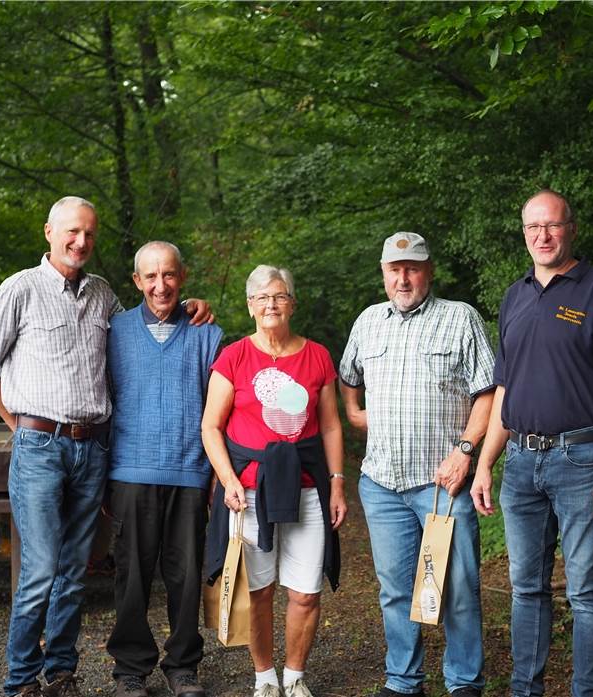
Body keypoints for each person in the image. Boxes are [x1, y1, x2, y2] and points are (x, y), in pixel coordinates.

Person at [0, 196, 210, 697]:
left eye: (90, 234)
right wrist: (20, 426)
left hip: (92, 450)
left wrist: (191, 308)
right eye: (72, 232)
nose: (81, 241)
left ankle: (60, 672)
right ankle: (20, 681)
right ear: (50, 232)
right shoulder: (21, 289)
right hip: (40, 444)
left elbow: (146, 328)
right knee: (40, 569)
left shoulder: (103, 295)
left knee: (76, 571)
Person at [470, 191, 593, 697]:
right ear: (523, 234)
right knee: (526, 588)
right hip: (519, 464)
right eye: (532, 227)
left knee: (584, 590)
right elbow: (503, 390)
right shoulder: (514, 297)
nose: (542, 235)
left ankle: (587, 692)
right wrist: (484, 463)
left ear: (571, 229)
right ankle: (525, 689)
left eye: (552, 226)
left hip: (582, 458)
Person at [339, 232, 496, 697]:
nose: (403, 277)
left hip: (442, 484)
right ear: (384, 273)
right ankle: (403, 681)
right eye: (395, 268)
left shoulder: (460, 318)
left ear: (429, 271)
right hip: (383, 483)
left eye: (412, 268)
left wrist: (465, 451)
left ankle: (464, 682)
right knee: (395, 590)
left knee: (458, 588)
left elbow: (488, 392)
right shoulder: (368, 322)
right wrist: (353, 412)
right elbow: (348, 376)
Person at [201, 264, 347, 697]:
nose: (271, 304)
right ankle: (265, 678)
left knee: (305, 593)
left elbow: (332, 427)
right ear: (250, 306)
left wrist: (337, 481)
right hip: (247, 492)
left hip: (305, 486)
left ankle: (295, 675)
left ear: (292, 304)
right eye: (262, 297)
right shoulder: (233, 357)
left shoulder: (317, 355)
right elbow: (211, 427)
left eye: (279, 296)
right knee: (259, 590)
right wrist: (226, 480)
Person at [105, 242, 223, 697]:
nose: (160, 285)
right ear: (136, 282)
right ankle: (130, 669)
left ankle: (182, 666)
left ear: (183, 276)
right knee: (131, 576)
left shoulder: (208, 335)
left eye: (169, 275)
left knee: (186, 574)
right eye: (150, 277)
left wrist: (217, 473)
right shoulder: (113, 331)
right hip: (130, 470)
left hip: (190, 471)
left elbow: (222, 413)